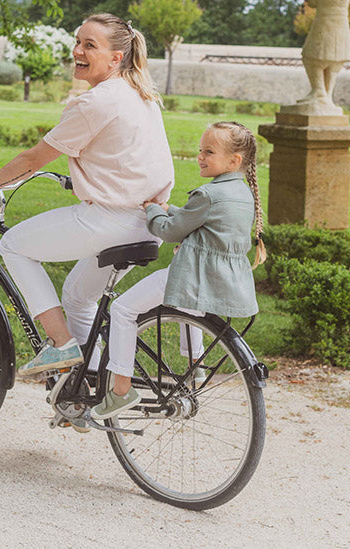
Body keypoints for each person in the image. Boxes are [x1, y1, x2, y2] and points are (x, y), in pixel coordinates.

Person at [0, 13, 175, 376]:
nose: (78, 50)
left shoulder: (97, 102)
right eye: (78, 41)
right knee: (77, 296)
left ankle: (60, 345)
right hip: (149, 223)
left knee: (13, 246)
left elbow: (32, 159)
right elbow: (130, 158)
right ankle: (86, 388)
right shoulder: (142, 95)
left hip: (110, 222)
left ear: (116, 58)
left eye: (90, 45)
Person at [91, 121, 266, 418]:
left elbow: (170, 231)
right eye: (200, 150)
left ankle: (120, 391)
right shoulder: (243, 194)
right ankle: (195, 368)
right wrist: (170, 207)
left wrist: (152, 211)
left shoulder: (207, 195)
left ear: (234, 160)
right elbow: (199, 220)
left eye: (208, 151)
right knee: (190, 312)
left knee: (122, 309)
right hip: (218, 284)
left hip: (191, 277)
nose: (200, 156)